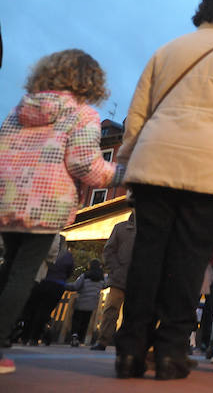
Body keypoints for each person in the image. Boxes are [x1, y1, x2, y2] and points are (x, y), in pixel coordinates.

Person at [114, 0, 213, 381]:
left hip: (156, 161)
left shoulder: (167, 50)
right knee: (189, 262)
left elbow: (137, 114)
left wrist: (129, 159)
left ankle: (130, 350)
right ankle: (170, 352)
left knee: (147, 257)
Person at [0, 49, 123, 375]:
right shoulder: (83, 115)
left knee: (7, 268)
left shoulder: (19, 110)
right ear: (90, 81)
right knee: (23, 274)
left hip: (7, 198)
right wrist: (121, 174)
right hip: (46, 203)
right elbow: (86, 165)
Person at [18, 236, 74, 345]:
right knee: (44, 312)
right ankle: (35, 338)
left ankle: (25, 336)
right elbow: (69, 271)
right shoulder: (67, 256)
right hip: (57, 285)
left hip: (41, 282)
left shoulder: (45, 251)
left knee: (32, 309)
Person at [93, 210, 136, 351]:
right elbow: (108, 251)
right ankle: (102, 340)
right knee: (110, 310)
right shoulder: (120, 228)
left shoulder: (152, 230)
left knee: (133, 314)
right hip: (119, 277)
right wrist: (115, 268)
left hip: (139, 280)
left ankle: (127, 343)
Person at [66, 258, 106, 346]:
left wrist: (64, 285)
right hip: (91, 304)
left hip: (81, 301)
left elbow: (76, 286)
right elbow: (104, 286)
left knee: (76, 319)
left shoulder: (85, 276)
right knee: (85, 321)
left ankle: (74, 336)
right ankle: (80, 339)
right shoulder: (102, 278)